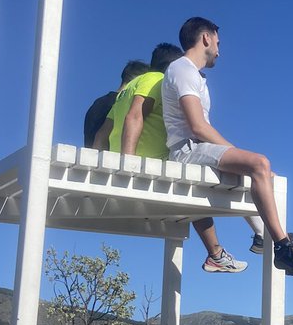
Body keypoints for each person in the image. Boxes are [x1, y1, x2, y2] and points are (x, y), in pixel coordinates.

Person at [161, 17, 293, 279]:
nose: (218, 50)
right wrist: (239, 155)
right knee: (259, 163)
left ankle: (262, 236)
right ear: (206, 38)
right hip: (187, 151)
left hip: (195, 148)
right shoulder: (182, 69)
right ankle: (283, 247)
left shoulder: (191, 74)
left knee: (255, 172)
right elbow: (198, 126)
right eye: (218, 43)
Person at [93, 43, 254, 275]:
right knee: (205, 179)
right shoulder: (156, 79)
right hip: (147, 161)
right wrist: (127, 165)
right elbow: (135, 116)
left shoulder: (123, 94)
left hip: (127, 160)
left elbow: (102, 134)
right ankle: (238, 243)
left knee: (198, 179)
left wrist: (100, 169)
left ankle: (220, 251)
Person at [83, 59, 147, 146]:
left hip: (89, 153)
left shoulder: (97, 103)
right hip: (110, 154)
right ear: (138, 80)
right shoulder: (121, 104)